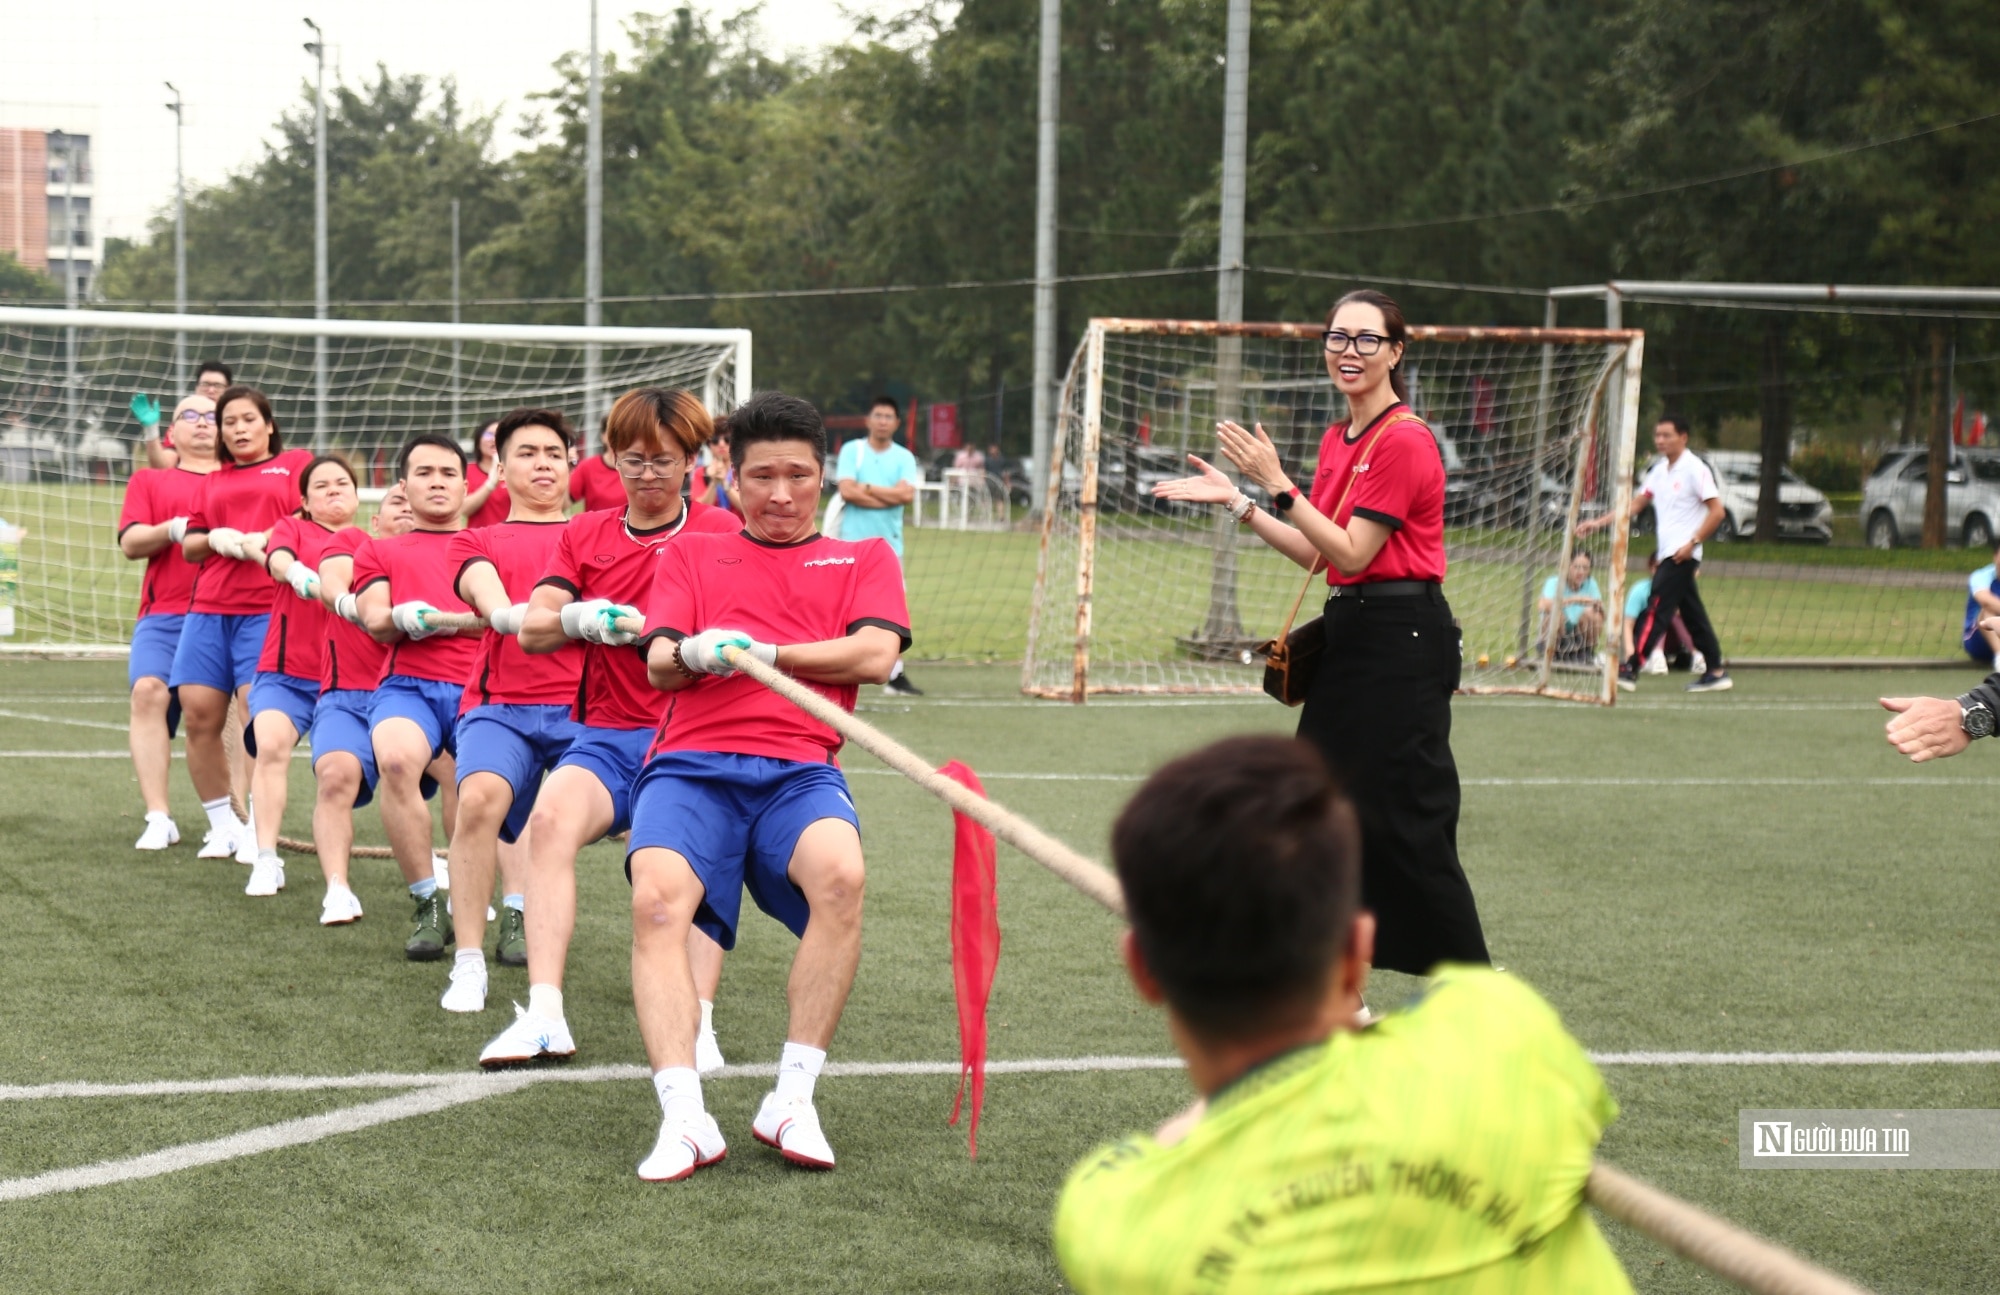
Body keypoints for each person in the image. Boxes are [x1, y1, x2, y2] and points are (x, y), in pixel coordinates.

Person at [1053, 736, 1632, 1294]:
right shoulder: (1502, 1027)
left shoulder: (1114, 1216)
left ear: (1141, 971)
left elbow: (1170, 1148)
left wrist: (1228, 1110)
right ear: (1358, 955)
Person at [1152, 288, 1489, 981]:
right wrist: (1244, 501)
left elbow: (1357, 553)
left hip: (1405, 638)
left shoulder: (1407, 439)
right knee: (1323, 807)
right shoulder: (1339, 439)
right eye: (1338, 337)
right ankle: (1335, 981)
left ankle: (1479, 992)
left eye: (1368, 339)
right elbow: (1320, 552)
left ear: (1396, 352)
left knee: (1411, 817)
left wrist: (1276, 482)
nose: (1350, 351)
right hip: (1352, 634)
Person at [625, 390, 908, 1181]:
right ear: (730, 476)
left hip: (801, 769)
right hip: (690, 767)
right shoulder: (689, 554)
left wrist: (767, 652)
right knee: (656, 900)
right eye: (761, 477)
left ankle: (792, 1099)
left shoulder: (863, 558)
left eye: (798, 475)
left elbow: (874, 656)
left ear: (824, 474)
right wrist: (695, 653)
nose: (780, 494)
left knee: (842, 878)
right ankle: (684, 1117)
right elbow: (657, 661)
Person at [477, 387, 739, 1069]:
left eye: (664, 460)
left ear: (693, 461)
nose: (648, 475)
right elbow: (533, 627)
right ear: (608, 461)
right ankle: (543, 1016)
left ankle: (700, 1023)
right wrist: (579, 618)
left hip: (691, 737)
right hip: (607, 733)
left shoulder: (722, 533)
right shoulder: (586, 531)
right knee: (549, 823)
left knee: (693, 869)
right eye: (633, 461)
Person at [435, 408, 584, 1014]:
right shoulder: (476, 538)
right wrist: (519, 615)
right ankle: (468, 962)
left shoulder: (601, 532)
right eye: (526, 453)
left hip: (587, 711)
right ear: (499, 466)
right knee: (477, 802)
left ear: (571, 462)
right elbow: (489, 597)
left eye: (553, 452)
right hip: (501, 706)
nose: (542, 463)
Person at [348, 435, 481, 960]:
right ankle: (428, 903)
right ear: (403, 486)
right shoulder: (378, 548)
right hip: (407, 686)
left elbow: (508, 621)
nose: (437, 482)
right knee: (398, 762)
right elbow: (376, 621)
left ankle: (514, 910)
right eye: (424, 473)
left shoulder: (486, 544)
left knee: (488, 790)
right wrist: (403, 617)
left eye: (448, 473)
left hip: (482, 689)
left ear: (466, 486)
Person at [173, 387, 315, 861]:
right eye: (228, 421)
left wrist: (271, 534)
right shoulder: (211, 482)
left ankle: (259, 826)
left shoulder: (295, 464)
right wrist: (216, 537)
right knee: (197, 714)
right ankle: (223, 825)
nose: (238, 429)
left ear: (268, 424)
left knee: (258, 714)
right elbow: (191, 544)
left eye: (248, 419)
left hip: (267, 606)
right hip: (209, 607)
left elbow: (310, 513)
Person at [234, 456, 358, 897]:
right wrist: (300, 575)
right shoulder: (294, 529)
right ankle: (266, 858)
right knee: (269, 745)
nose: (333, 490)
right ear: (304, 501)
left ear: (358, 494)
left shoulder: (368, 544)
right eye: (320, 485)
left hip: (347, 682)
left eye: (342, 483)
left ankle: (428, 867)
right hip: (285, 675)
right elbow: (277, 558)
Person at [310, 483, 420, 925]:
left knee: (464, 776)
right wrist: (360, 608)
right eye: (397, 501)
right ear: (375, 521)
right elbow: (333, 580)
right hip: (348, 697)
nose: (407, 509)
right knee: (335, 775)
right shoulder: (353, 543)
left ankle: (464, 888)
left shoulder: (452, 554)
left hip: (417, 694)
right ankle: (337, 889)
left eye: (415, 503)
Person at [116, 394, 222, 849]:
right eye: (190, 416)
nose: (202, 423)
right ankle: (158, 815)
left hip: (226, 614)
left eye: (212, 416)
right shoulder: (150, 480)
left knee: (214, 716)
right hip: (165, 615)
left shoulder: (239, 481)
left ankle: (237, 819)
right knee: (147, 692)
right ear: (171, 432)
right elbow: (132, 542)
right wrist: (173, 529)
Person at [1579, 417, 1731, 693]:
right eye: (1657, 435)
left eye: (1666, 435)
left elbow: (1717, 511)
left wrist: (1693, 542)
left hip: (1681, 556)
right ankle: (1716, 670)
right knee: (1693, 614)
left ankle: (1631, 666)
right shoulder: (1659, 470)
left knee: (1656, 608)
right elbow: (1637, 503)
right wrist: (1599, 522)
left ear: (1683, 437)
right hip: (1667, 554)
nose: (1660, 440)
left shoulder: (1695, 469)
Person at [835, 395, 923, 696]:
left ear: (896, 423)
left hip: (889, 547)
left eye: (888, 416)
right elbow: (847, 491)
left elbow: (906, 497)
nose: (883, 421)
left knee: (892, 612)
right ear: (868, 420)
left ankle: (895, 675)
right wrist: (887, 494)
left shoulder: (904, 457)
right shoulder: (852, 450)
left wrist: (868, 488)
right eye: (878, 415)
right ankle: (833, 667)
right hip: (849, 545)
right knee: (838, 609)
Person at [139, 359, 232, 470]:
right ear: (196, 388)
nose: (211, 390)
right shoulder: (183, 423)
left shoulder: (238, 423)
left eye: (218, 385)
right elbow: (164, 466)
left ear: (228, 390)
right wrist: (151, 431)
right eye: (205, 384)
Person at [1620, 553, 1703, 676]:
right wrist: (1630, 652)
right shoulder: (1640, 590)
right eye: (1657, 568)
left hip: (1673, 640)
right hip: (1645, 638)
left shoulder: (1679, 589)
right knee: (1660, 610)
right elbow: (1628, 624)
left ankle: (1697, 655)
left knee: (1676, 612)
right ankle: (1655, 655)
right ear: (1651, 568)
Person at [1536, 549, 1603, 662]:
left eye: (1585, 568)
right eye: (1576, 567)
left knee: (1595, 616)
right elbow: (1543, 605)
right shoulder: (1554, 582)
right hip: (1559, 631)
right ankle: (1551, 653)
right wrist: (1575, 599)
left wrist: (1596, 606)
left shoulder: (1591, 584)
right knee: (1555, 615)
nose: (1580, 572)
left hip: (1578, 632)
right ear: (1567, 566)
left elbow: (1601, 610)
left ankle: (1586, 652)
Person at [462, 419, 512, 528]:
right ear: (478, 441)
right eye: (489, 435)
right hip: (478, 540)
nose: (494, 440)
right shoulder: (467, 471)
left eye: (499, 435)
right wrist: (490, 484)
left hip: (510, 537)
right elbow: (464, 509)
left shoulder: (515, 470)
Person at [568, 426, 629, 512]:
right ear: (603, 436)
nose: (618, 438)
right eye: (612, 433)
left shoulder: (637, 469)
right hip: (596, 524)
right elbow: (563, 502)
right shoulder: (587, 467)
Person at [1962, 538, 2000, 665]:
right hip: (1978, 638)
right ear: (1995, 556)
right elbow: (1985, 600)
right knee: (1988, 610)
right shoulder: (1982, 576)